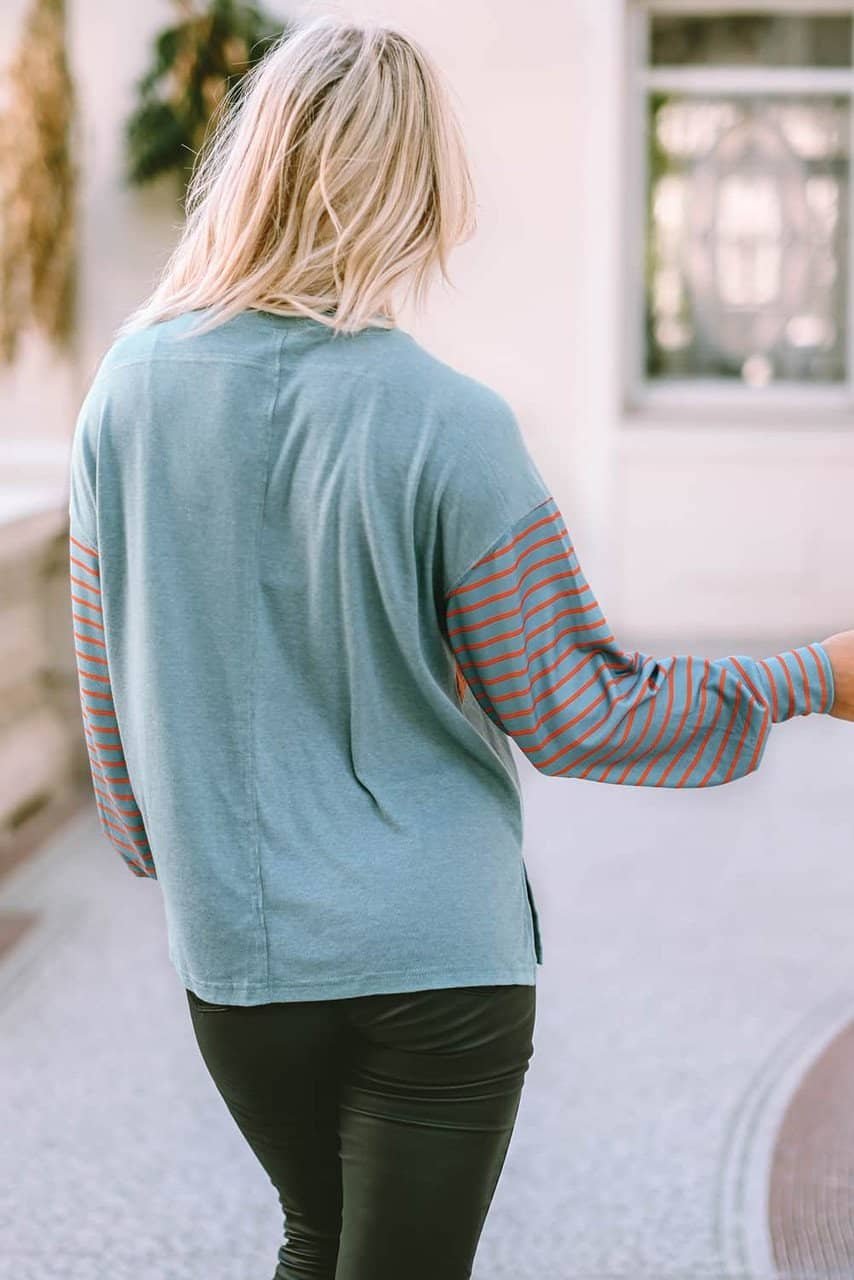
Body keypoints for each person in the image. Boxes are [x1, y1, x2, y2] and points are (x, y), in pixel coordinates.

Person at [66, 14, 854, 1280]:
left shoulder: (125, 394)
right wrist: (812, 675)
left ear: (254, 165)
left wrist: (183, 851)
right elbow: (574, 708)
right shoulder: (449, 423)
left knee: (315, 1239)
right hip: (432, 961)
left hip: (235, 965)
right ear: (418, 190)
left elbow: (112, 725)